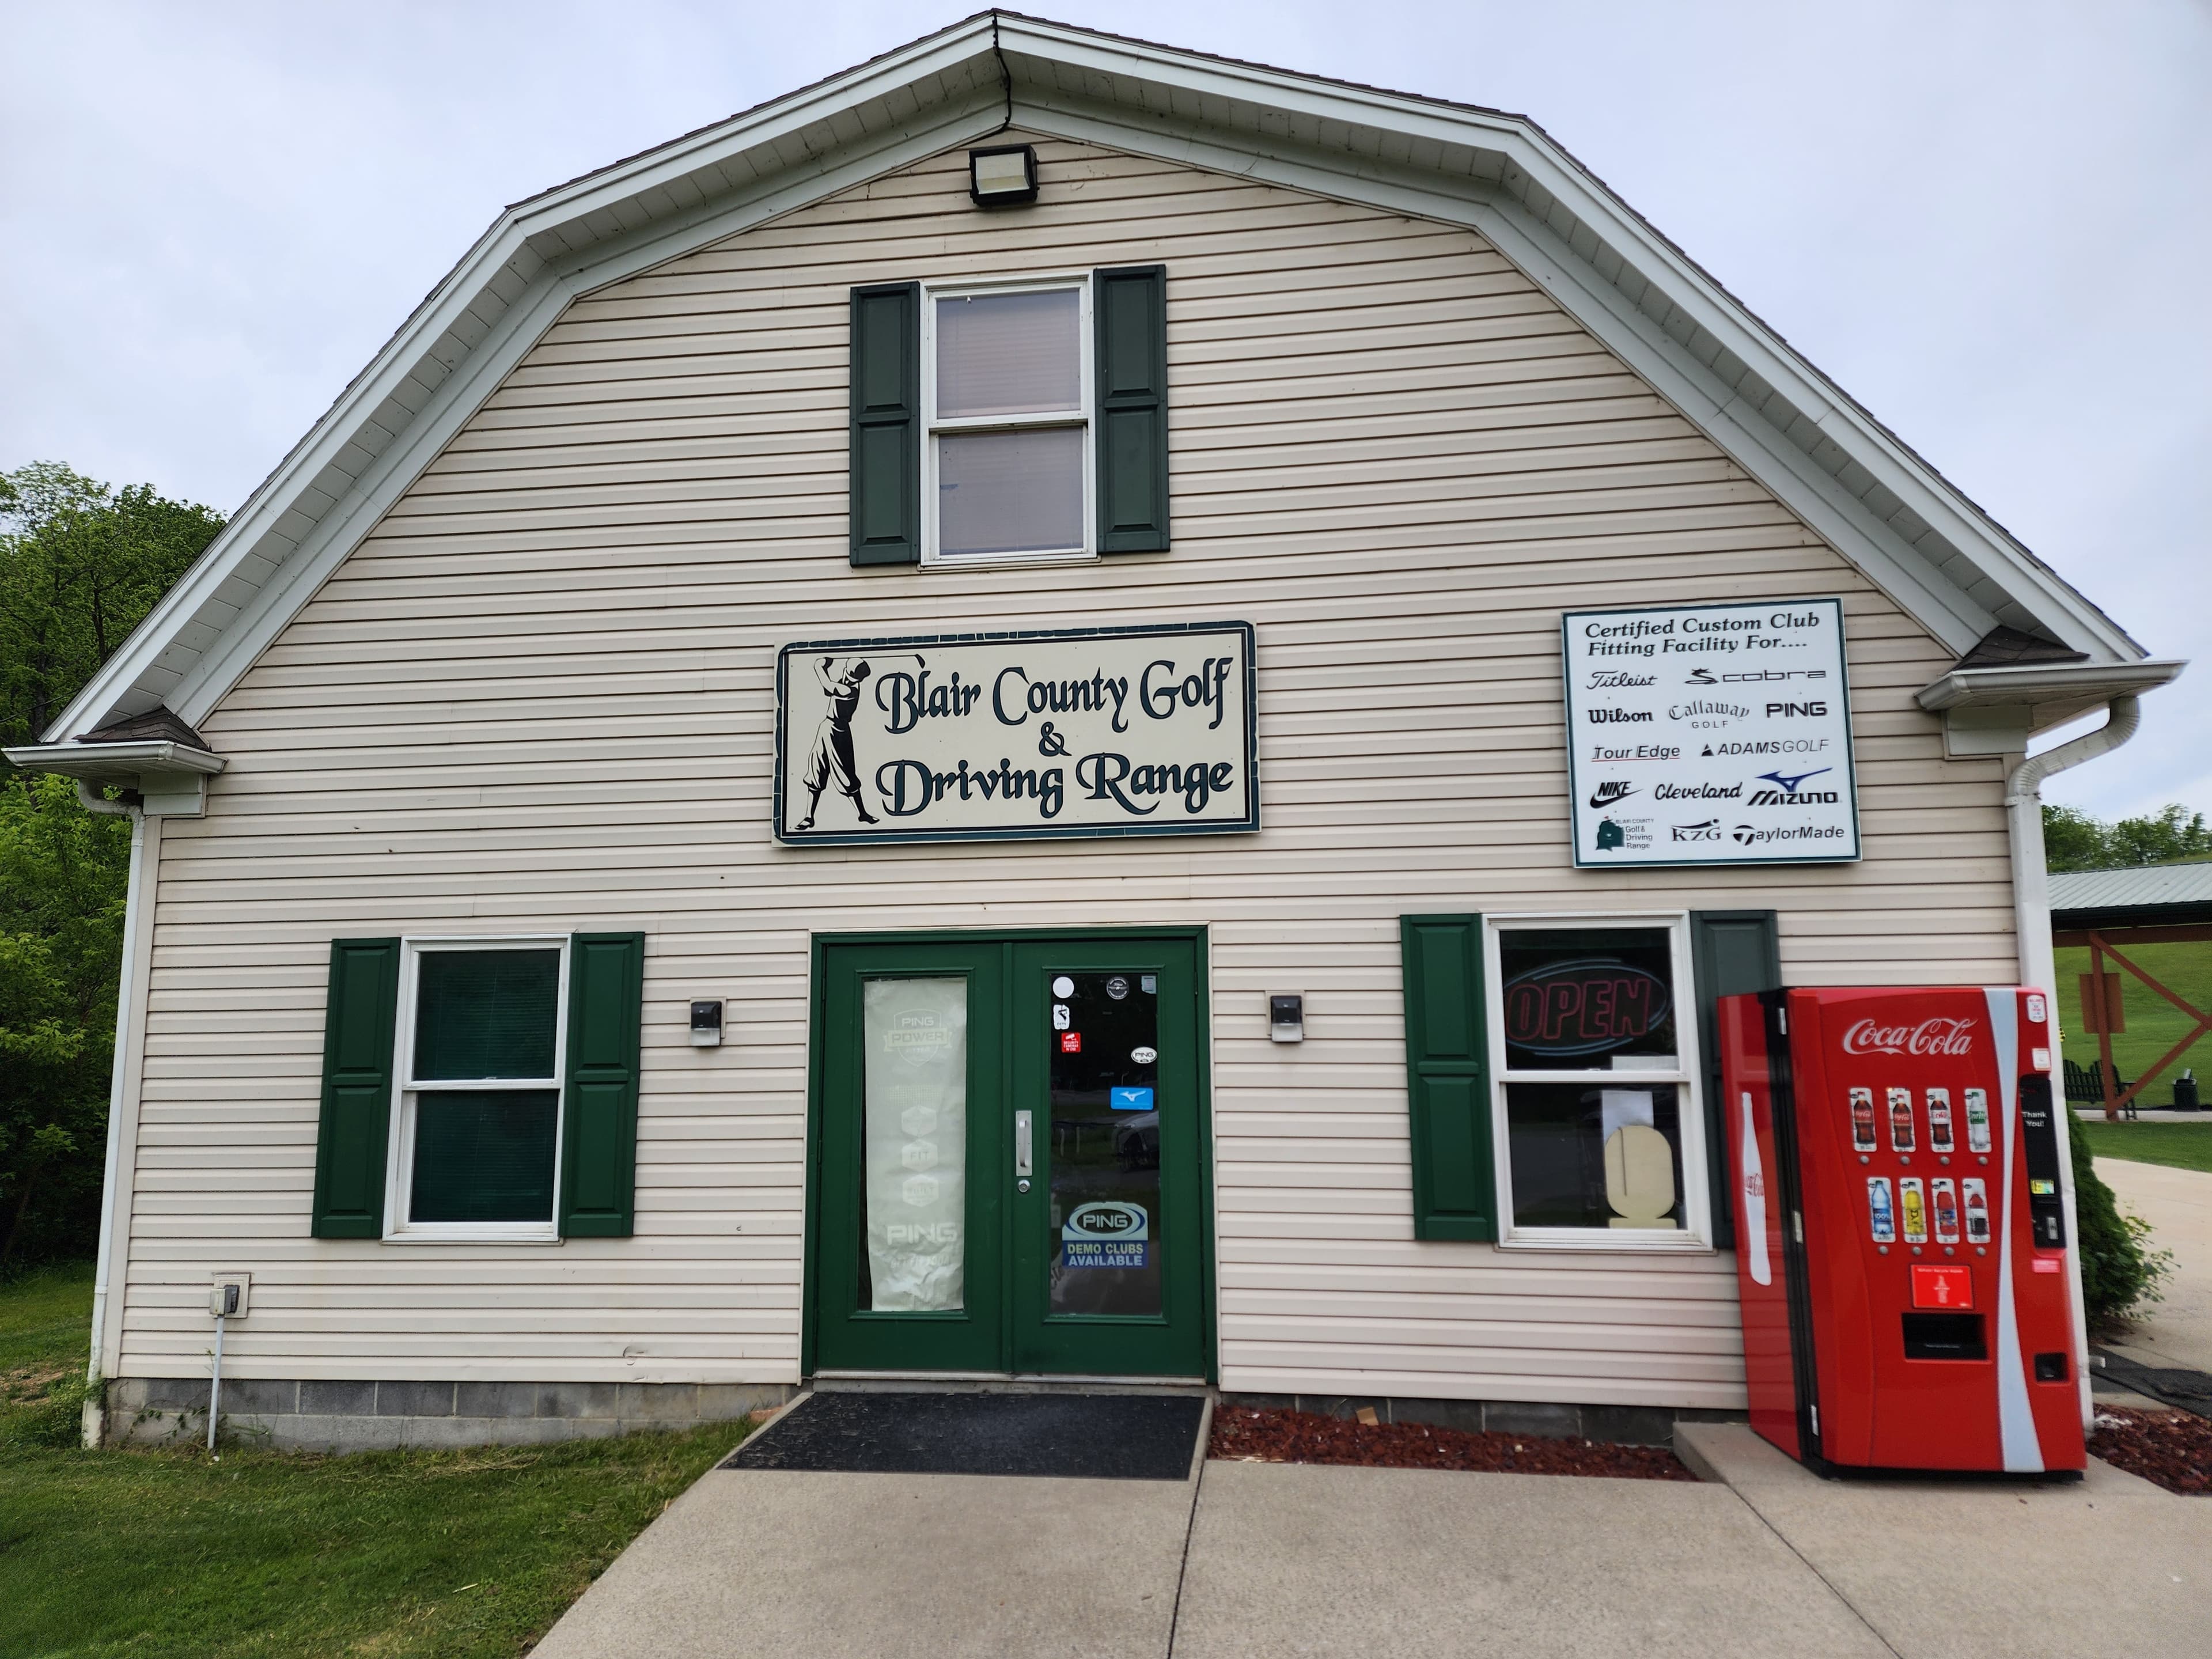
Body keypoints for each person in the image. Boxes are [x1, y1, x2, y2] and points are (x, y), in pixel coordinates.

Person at [794, 656, 877, 830]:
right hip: (826, 728)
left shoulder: (850, 690)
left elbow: (828, 686)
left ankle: (862, 813)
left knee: (846, 774)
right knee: (816, 770)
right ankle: (809, 817)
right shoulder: (844, 683)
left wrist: (819, 665)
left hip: (839, 732)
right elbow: (828, 691)